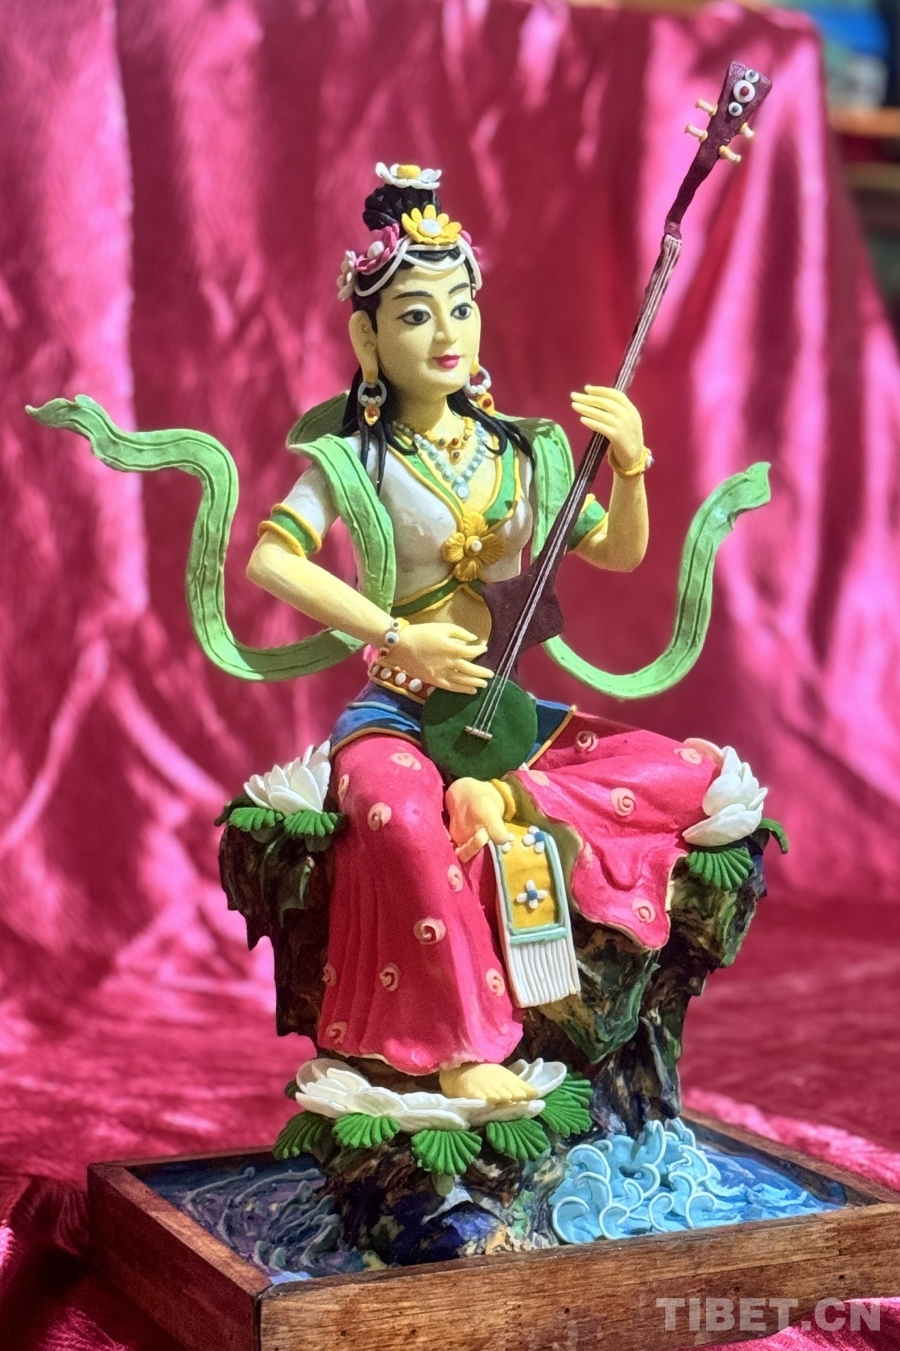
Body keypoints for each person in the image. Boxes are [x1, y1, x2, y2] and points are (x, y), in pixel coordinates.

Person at [246, 163, 764, 1108]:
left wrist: (633, 465)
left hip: (502, 717)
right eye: (415, 315)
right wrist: (394, 633)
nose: (447, 334)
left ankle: (499, 797)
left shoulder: (521, 451)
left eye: (461, 307)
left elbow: (616, 552)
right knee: (400, 820)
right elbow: (272, 560)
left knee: (687, 770)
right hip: (400, 714)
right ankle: (461, 1045)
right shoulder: (351, 458)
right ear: (367, 337)